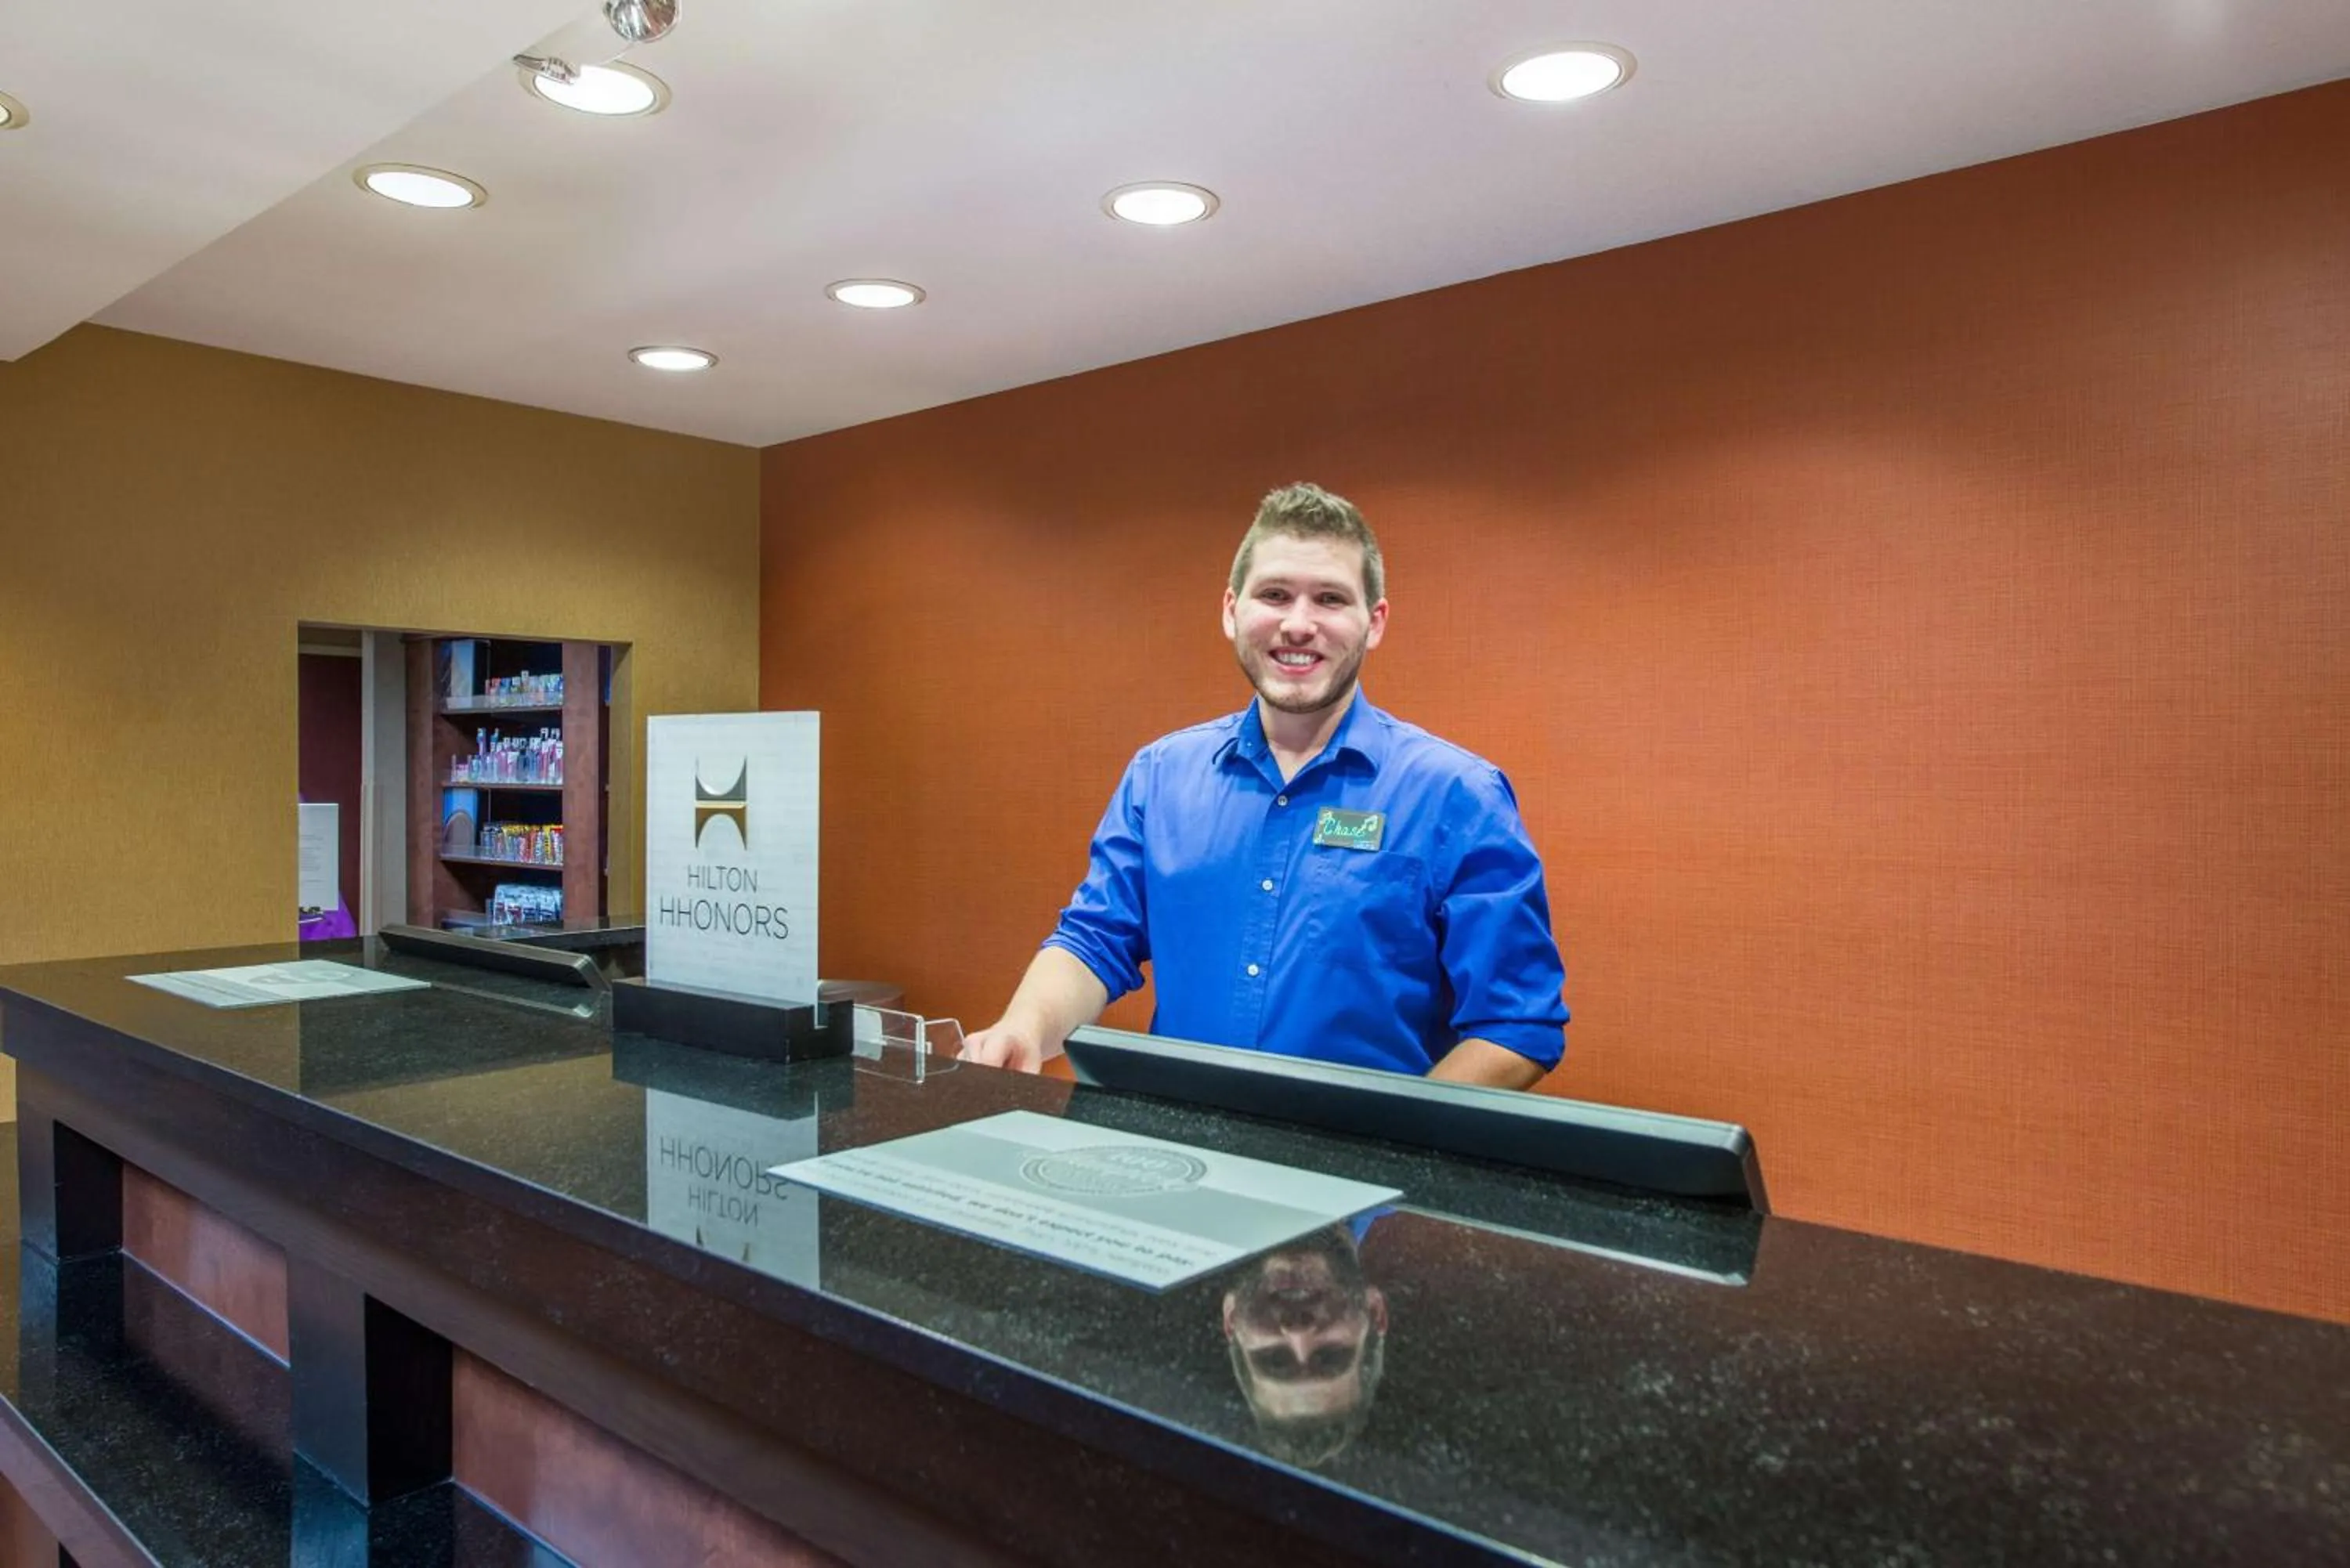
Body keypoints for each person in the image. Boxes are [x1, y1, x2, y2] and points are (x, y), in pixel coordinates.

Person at [960, 482, 1567, 1088]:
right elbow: (1095, 941)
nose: (1298, 624)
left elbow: (1517, 1027)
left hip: (1363, 1149)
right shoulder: (1160, 776)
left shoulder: (1457, 796)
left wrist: (1397, 1134)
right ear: (1232, 610)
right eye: (1275, 595)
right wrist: (1025, 1028)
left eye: (1330, 599)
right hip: (1175, 1138)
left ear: (1374, 622)